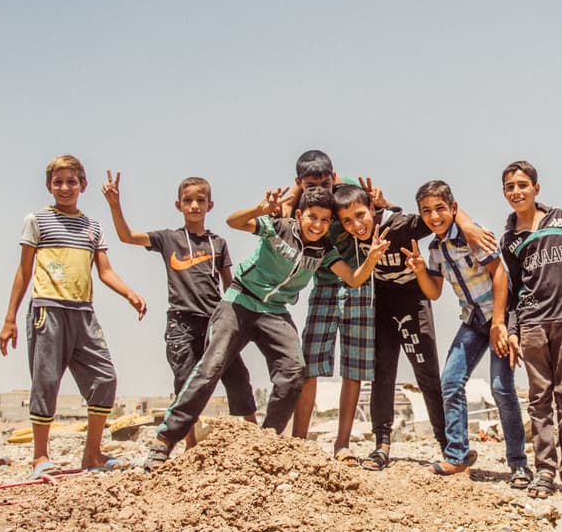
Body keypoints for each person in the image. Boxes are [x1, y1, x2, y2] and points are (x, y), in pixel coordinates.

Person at [144, 186, 388, 469]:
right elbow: (233, 222)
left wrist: (371, 259)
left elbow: (354, 279)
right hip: (240, 301)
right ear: (299, 215)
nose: (318, 225)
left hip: (275, 312)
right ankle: (164, 441)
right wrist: (259, 209)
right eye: (312, 217)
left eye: (324, 220)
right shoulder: (277, 228)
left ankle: (267, 442)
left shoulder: (323, 250)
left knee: (293, 372)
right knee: (211, 367)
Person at [0, 155, 147, 478]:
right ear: (49, 186)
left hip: (84, 314)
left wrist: (129, 293)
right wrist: (9, 318)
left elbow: (104, 271)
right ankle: (40, 457)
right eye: (58, 182)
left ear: (83, 185)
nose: (65, 188)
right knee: (46, 381)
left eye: (71, 181)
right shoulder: (37, 221)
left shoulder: (92, 226)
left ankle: (92, 453)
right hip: (47, 310)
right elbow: (24, 271)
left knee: (105, 378)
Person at [101, 171, 256, 447]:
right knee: (186, 384)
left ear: (210, 205)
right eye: (188, 200)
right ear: (179, 205)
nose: (194, 205)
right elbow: (127, 236)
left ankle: (255, 439)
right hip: (181, 324)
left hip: (215, 322)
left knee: (238, 376)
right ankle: (190, 446)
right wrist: (115, 204)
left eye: (200, 200)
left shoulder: (218, 243)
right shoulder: (168, 239)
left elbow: (229, 285)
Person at [357, 182, 496, 472]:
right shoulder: (348, 233)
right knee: (382, 372)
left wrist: (468, 225)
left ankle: (450, 448)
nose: (356, 224)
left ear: (374, 209)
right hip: (381, 306)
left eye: (362, 214)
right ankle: (381, 445)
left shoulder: (400, 226)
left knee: (429, 375)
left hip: (413, 302)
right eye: (347, 219)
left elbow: (439, 215)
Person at [401, 180, 529, 483]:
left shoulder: (474, 235)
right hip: (472, 321)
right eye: (427, 212)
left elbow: (499, 272)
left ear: (453, 209)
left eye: (440, 209)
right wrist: (419, 270)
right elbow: (433, 292)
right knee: (451, 382)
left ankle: (519, 464)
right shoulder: (435, 250)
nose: (434, 217)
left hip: (498, 317)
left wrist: (499, 323)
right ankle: (457, 456)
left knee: (501, 389)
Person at [496, 160, 562, 501]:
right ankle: (544, 469)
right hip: (532, 325)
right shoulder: (509, 240)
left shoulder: (559, 219)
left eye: (522, 185)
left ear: (536, 188)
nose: (516, 192)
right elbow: (509, 291)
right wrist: (513, 330)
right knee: (539, 400)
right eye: (510, 187)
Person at [284, 150, 375, 465]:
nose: (320, 188)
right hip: (324, 284)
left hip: (361, 285)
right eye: (311, 184)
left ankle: (343, 443)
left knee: (354, 367)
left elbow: (372, 208)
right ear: (300, 183)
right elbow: (282, 216)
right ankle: (298, 443)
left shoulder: (347, 188)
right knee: (310, 365)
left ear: (334, 177)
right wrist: (297, 193)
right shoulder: (300, 204)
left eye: (325, 182)